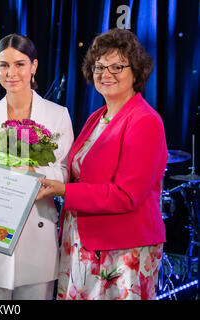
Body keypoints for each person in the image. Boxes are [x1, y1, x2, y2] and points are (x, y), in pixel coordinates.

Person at [37, 28, 167, 300]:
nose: (106, 73)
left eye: (117, 66)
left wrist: (63, 190)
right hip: (82, 240)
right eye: (100, 66)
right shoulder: (97, 117)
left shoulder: (145, 120)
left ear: (137, 72)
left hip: (123, 250)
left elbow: (125, 195)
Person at [0, 33, 74, 300]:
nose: (11, 73)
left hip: (38, 229)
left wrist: (28, 171)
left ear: (33, 66)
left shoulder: (58, 115)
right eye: (4, 65)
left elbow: (65, 171)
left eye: (20, 64)